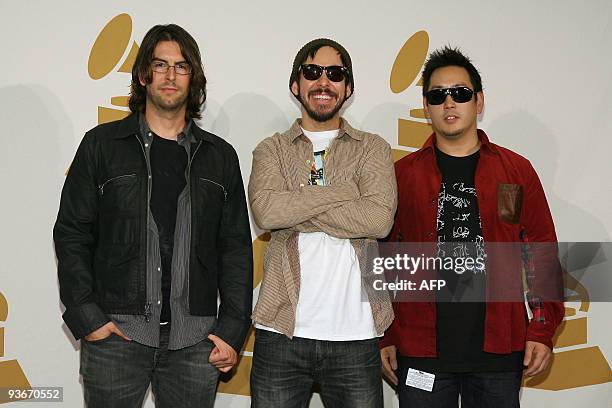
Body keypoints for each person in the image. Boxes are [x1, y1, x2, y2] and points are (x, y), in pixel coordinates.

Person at [53, 23, 253, 408]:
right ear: (143, 75)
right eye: (160, 65)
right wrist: (87, 317)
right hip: (116, 335)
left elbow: (236, 250)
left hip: (195, 342)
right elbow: (72, 234)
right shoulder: (101, 147)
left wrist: (231, 329)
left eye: (181, 66)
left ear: (193, 78)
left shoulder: (220, 156)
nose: (170, 75)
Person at [380, 46, 564, 408]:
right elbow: (383, 259)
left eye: (460, 94)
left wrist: (541, 330)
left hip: (500, 350)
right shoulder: (400, 177)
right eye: (438, 95)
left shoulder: (516, 171)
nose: (449, 103)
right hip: (421, 350)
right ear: (426, 107)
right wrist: (386, 334)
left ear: (478, 102)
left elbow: (540, 254)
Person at [248, 38, 397, 407]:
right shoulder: (271, 150)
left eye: (335, 73)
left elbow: (378, 220)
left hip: (357, 334)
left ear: (348, 88)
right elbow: (268, 213)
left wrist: (297, 204)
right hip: (281, 331)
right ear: (295, 85)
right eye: (312, 72)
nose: (323, 81)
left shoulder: (372, 148)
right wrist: (345, 192)